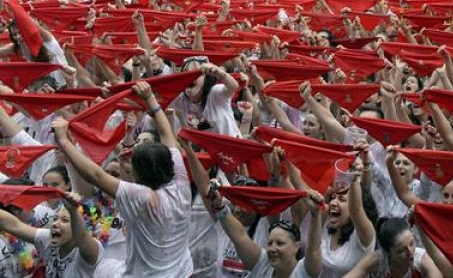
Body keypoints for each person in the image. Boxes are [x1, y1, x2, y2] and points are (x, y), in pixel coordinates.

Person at [52, 82, 194, 277]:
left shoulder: (143, 197)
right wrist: (149, 98)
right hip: (181, 273)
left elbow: (95, 176)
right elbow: (166, 134)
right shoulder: (181, 183)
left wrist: (64, 141)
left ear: (136, 173)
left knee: (102, 268)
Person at [209, 184, 322, 278]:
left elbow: (313, 249)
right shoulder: (263, 263)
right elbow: (240, 237)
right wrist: (220, 207)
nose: (272, 248)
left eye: (280, 243)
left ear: (296, 246)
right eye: (269, 243)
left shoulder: (305, 271)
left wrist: (315, 214)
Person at [0, 191, 121, 277]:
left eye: (65, 220)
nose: (55, 224)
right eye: (56, 218)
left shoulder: (90, 251)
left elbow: (82, 236)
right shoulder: (48, 239)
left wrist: (73, 211)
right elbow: (14, 225)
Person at [344, 217, 442, 278]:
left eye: (412, 243)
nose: (410, 251)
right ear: (387, 251)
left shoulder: (422, 259)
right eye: (400, 250)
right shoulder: (377, 259)